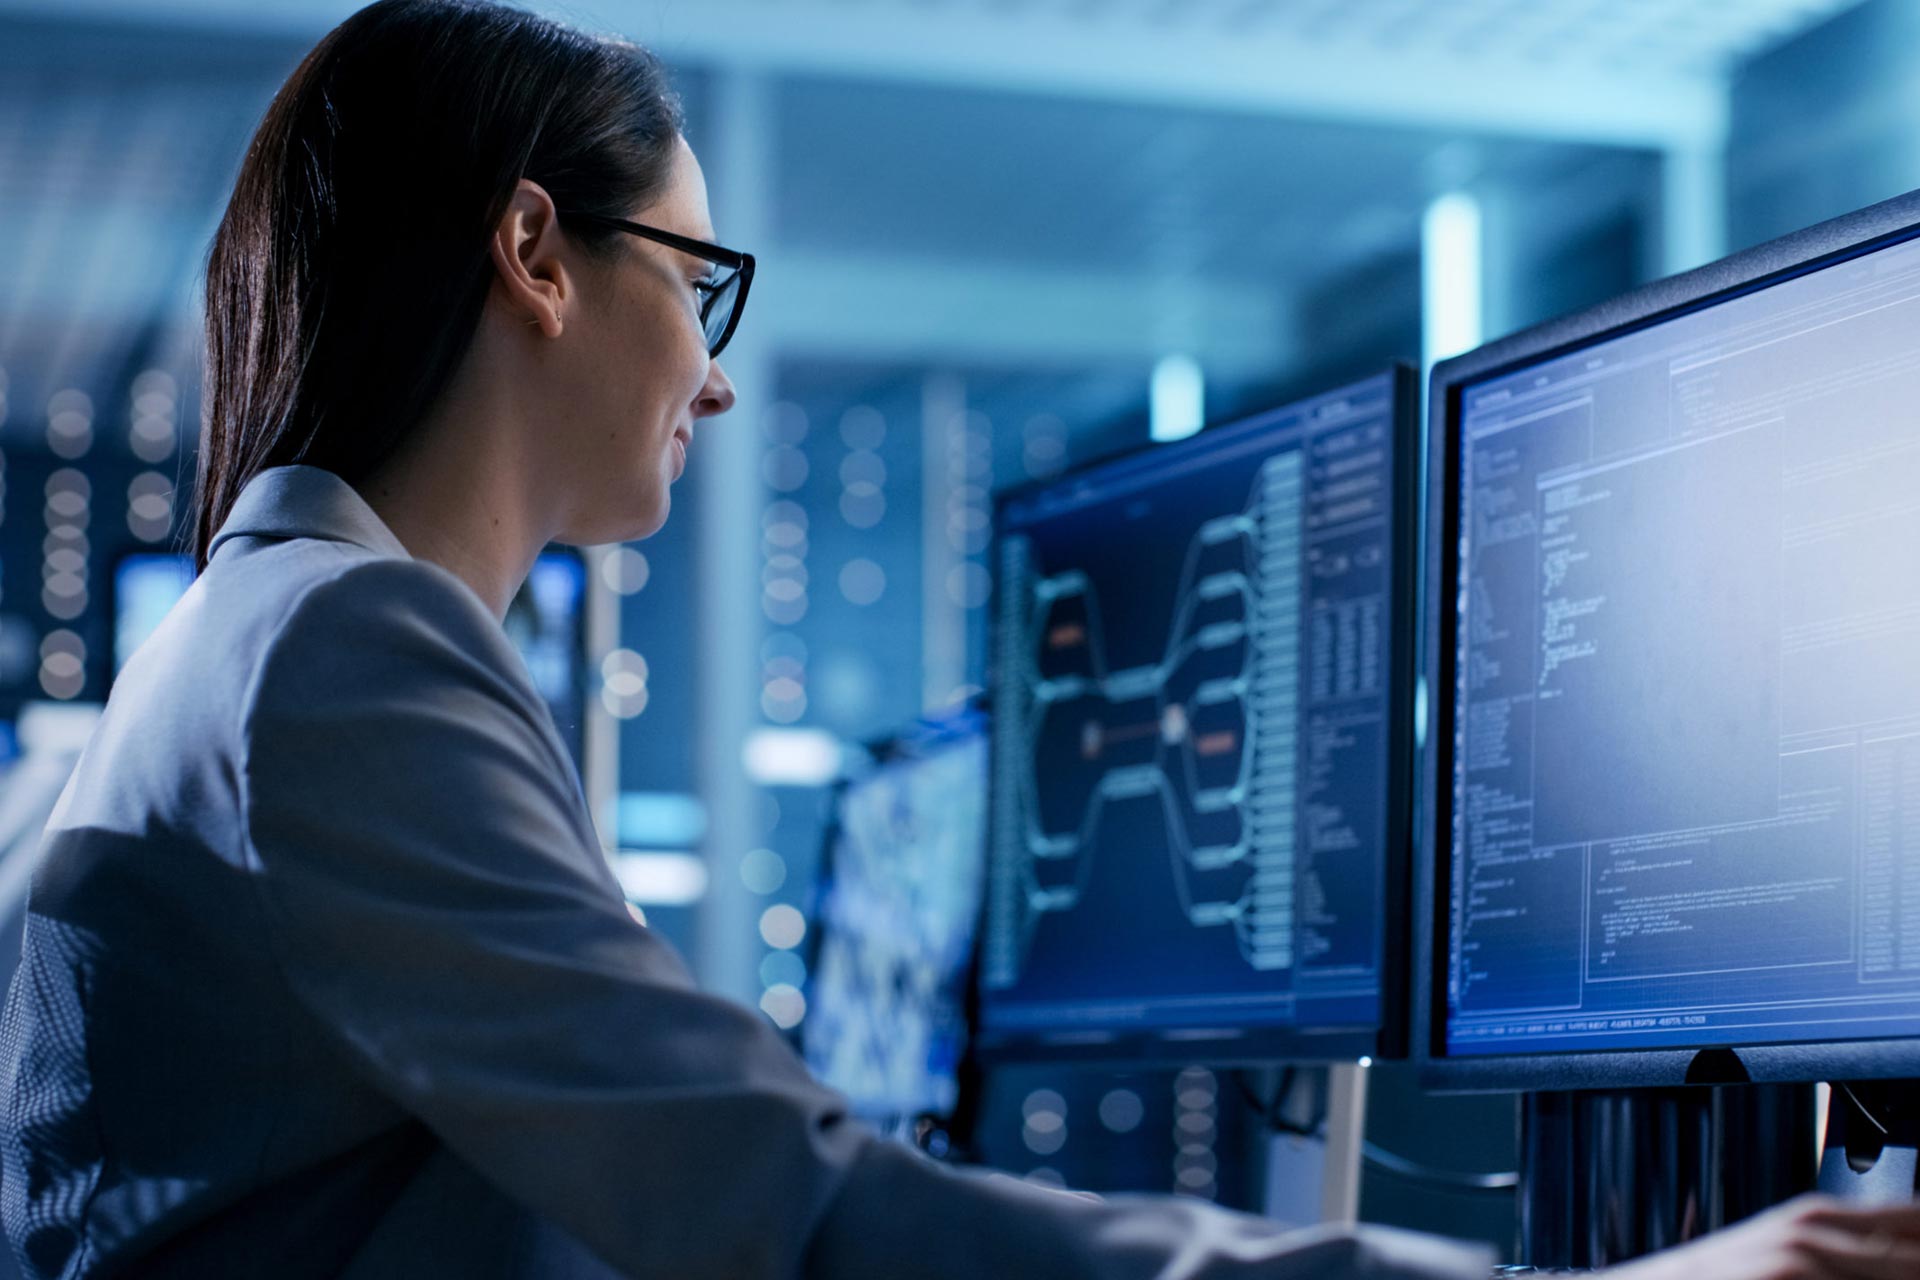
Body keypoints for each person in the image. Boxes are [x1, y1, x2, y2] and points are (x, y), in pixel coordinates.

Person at [0, 2, 1916, 1276]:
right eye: (701, 284)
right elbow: (791, 1210)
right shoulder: (340, 662)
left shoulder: (278, 641)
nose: (718, 383)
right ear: (534, 256)